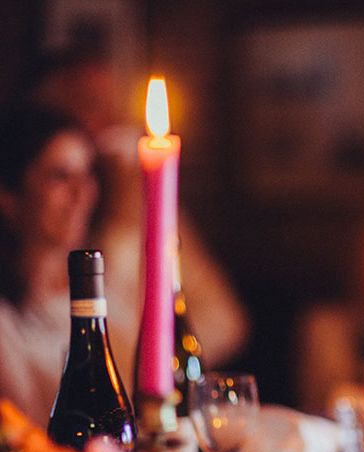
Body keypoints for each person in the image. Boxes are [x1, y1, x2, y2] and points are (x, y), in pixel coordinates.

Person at [26, 46, 250, 388]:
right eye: (86, 105)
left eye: (109, 107)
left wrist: (163, 357)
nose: (104, 124)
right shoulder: (36, 239)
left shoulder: (142, 198)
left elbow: (226, 321)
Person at [0, 104, 99, 424]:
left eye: (87, 174)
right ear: (9, 195)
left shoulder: (105, 288)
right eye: (60, 176)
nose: (81, 192)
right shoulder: (7, 322)